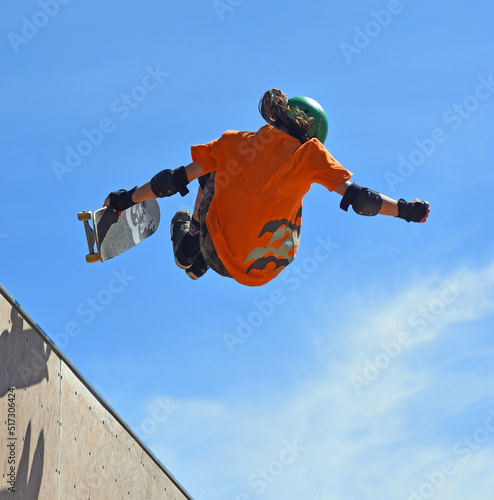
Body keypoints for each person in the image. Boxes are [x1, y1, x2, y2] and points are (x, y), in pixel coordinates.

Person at [105, 88, 430, 287]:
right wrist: (406, 210)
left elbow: (174, 180)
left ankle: (190, 244)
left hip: (220, 252)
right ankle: (201, 259)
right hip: (263, 269)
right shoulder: (311, 154)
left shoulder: (233, 143)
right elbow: (361, 200)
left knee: (211, 174)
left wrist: (126, 198)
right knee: (292, 191)